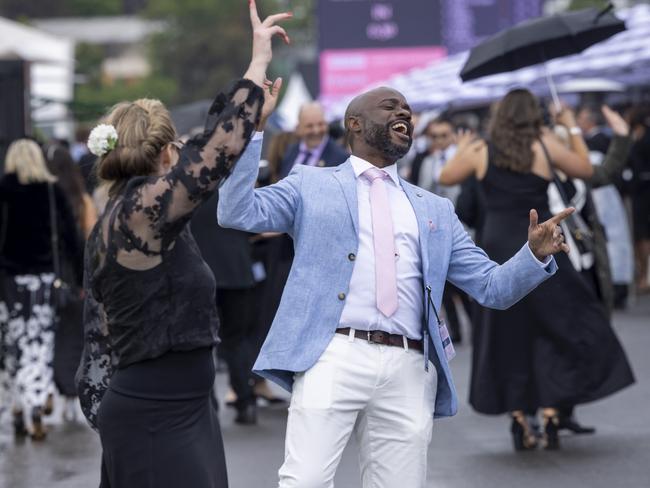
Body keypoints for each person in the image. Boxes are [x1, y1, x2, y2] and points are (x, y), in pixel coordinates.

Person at [218, 83, 574, 487]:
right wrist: (254, 128)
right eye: (390, 106)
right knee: (306, 481)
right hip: (332, 353)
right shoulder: (309, 185)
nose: (403, 113)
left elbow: (493, 288)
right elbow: (237, 211)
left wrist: (535, 255)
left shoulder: (435, 209)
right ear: (355, 123)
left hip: (408, 364)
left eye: (407, 109)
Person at [75, 3, 290, 486]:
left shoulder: (131, 215)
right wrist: (257, 62)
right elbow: (214, 152)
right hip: (156, 415)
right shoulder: (139, 212)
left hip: (178, 408)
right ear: (168, 150)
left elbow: (99, 342)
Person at [439, 89, 635, 451]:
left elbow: (448, 176)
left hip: (496, 246)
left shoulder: (482, 149)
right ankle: (548, 411)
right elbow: (588, 171)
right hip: (539, 241)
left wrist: (465, 146)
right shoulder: (544, 144)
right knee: (559, 326)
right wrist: (572, 128)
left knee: (506, 333)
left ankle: (518, 415)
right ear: (534, 114)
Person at [0, 139, 83, 440]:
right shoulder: (51, 192)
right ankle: (34, 405)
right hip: (42, 279)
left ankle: (18, 406)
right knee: (38, 342)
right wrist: (80, 277)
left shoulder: (4, 191)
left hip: (8, 281)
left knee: (13, 344)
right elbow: (71, 239)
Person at [190, 192, 259, 425]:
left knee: (203, 343)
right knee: (237, 340)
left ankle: (210, 407)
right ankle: (246, 401)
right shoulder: (235, 187)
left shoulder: (191, 186)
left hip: (201, 272)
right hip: (237, 269)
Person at [44, 144, 97, 422]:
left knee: (46, 339)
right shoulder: (80, 199)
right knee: (72, 339)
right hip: (73, 279)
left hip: (45, 277)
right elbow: (89, 241)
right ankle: (70, 395)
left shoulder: (42, 196)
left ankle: (47, 391)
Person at [409, 116, 470, 343]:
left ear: (452, 136)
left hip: (463, 228)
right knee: (444, 288)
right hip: (435, 232)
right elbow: (421, 190)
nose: (440, 141)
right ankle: (456, 332)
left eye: (444, 136)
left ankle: (477, 326)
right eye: (435, 137)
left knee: (466, 284)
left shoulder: (463, 158)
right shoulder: (426, 162)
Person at [277, 101, 349, 178]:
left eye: (320, 124)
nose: (316, 131)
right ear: (299, 127)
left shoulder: (341, 158)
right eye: (310, 126)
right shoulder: (289, 151)